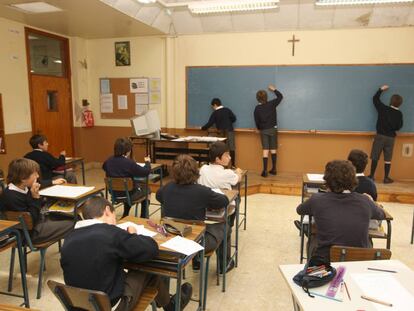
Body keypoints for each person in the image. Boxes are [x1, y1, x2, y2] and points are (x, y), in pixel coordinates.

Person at [60, 197, 192, 311]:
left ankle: (168, 304)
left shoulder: (69, 238)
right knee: (148, 269)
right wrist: (133, 235)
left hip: (78, 305)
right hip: (110, 306)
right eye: (114, 216)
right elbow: (151, 249)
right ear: (107, 210)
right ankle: (171, 306)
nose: (115, 222)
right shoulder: (110, 233)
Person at [296, 160, 385, 261]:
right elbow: (381, 215)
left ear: (327, 180)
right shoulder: (365, 200)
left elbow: (299, 210)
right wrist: (372, 202)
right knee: (367, 239)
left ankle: (309, 264)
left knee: (313, 237)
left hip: (326, 260)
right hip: (358, 261)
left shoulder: (317, 199)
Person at [156, 154, 230, 272]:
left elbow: (159, 196)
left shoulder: (167, 188)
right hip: (198, 242)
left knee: (193, 228)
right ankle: (224, 265)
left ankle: (197, 263)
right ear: (195, 172)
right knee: (225, 226)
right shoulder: (202, 191)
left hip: (171, 237)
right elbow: (224, 201)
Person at [0, 158, 73, 244]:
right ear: (23, 178)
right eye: (35, 174)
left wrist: (51, 183)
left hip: (38, 220)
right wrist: (35, 198)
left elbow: (41, 184)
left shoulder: (24, 186)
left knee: (74, 216)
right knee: (74, 224)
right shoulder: (11, 196)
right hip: (30, 233)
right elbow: (31, 222)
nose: (38, 176)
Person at [198, 141, 242, 271]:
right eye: (227, 155)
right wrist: (238, 171)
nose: (229, 157)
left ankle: (197, 262)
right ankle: (224, 263)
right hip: (222, 210)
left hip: (204, 210)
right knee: (235, 201)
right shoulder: (227, 173)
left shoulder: (203, 169)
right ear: (218, 159)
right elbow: (238, 179)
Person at [103, 137, 151, 218]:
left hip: (114, 194)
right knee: (147, 189)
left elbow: (104, 167)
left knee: (126, 188)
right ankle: (143, 216)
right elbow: (145, 172)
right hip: (130, 194)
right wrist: (147, 162)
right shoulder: (129, 163)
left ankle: (125, 214)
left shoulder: (108, 161)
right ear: (128, 151)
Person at [369, 85, 403, 184]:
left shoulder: (383, 109)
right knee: (388, 158)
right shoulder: (399, 114)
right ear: (400, 104)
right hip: (391, 138)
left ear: (391, 101)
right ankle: (386, 178)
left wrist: (380, 89)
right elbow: (399, 126)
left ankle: (371, 176)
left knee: (375, 156)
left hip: (380, 136)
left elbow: (375, 99)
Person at [254, 84, 283, 177]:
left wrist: (259, 129)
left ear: (257, 98)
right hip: (273, 129)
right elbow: (280, 96)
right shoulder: (272, 104)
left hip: (264, 130)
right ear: (266, 97)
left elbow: (257, 121)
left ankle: (265, 171)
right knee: (273, 149)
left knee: (265, 149)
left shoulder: (257, 108)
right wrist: (274, 89)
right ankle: (274, 169)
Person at [201, 98, 237, 165]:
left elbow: (210, 123)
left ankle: (222, 164)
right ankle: (233, 165)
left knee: (221, 148)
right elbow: (234, 119)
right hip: (230, 130)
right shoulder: (227, 110)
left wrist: (203, 128)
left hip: (221, 132)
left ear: (215, 105)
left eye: (213, 106)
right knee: (232, 148)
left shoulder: (215, 113)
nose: (213, 108)